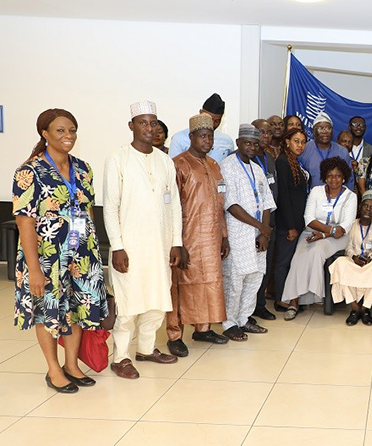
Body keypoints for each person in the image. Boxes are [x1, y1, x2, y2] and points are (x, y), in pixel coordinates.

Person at [13, 108, 108, 393]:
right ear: (45, 133)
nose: (68, 136)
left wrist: (82, 249)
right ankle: (53, 370)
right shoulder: (29, 171)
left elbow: (85, 212)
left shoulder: (82, 168)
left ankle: (71, 365)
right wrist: (34, 269)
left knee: (77, 310)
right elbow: (25, 221)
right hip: (45, 257)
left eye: (72, 131)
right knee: (48, 312)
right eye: (60, 131)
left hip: (81, 254)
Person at [104, 101, 182, 379]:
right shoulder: (119, 158)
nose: (150, 128)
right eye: (143, 122)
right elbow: (111, 206)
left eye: (154, 123)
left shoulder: (164, 161)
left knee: (157, 300)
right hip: (130, 247)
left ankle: (147, 349)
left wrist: (176, 242)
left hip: (160, 245)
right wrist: (117, 246)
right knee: (128, 305)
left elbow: (173, 205)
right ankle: (120, 357)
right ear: (132, 126)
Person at [166, 114, 230, 357]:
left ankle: (202, 329)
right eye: (202, 136)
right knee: (182, 285)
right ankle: (174, 334)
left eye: (210, 136)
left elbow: (220, 203)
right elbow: (171, 207)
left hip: (212, 238)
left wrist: (224, 236)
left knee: (210, 283)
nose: (207, 141)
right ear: (191, 137)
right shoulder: (178, 165)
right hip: (187, 237)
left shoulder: (214, 166)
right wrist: (176, 242)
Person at [280, 157, 357, 320]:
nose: (334, 179)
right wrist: (328, 230)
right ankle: (294, 300)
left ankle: (307, 296)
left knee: (316, 251)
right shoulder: (316, 191)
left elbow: (345, 227)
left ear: (343, 177)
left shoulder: (350, 197)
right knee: (298, 257)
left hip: (337, 238)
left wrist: (323, 234)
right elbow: (308, 218)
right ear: (324, 177)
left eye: (337, 176)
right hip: (311, 232)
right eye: (330, 176)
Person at [219, 124, 277, 340]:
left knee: (254, 278)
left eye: (254, 143)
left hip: (258, 234)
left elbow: (267, 203)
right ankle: (229, 323)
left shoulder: (257, 168)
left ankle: (244, 318)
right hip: (238, 233)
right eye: (247, 143)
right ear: (238, 143)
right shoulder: (227, 167)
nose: (252, 147)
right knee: (235, 279)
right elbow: (231, 205)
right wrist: (260, 226)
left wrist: (265, 232)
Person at [328, 191, 372, 326]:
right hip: (354, 260)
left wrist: (370, 257)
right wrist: (354, 257)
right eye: (365, 206)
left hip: (371, 261)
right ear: (360, 208)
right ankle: (355, 308)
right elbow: (348, 246)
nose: (368, 209)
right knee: (340, 263)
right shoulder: (352, 225)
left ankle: (365, 308)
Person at [271, 128, 310, 312]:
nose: (300, 145)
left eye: (302, 142)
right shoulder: (283, 162)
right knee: (283, 262)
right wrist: (291, 227)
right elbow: (284, 196)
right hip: (288, 223)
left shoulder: (294, 161)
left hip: (296, 220)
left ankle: (290, 298)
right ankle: (280, 299)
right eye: (296, 141)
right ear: (287, 141)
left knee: (291, 261)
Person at [251, 119, 279, 322]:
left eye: (269, 133)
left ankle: (260, 305)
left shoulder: (269, 158)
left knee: (265, 265)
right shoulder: (243, 159)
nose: (266, 136)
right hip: (250, 223)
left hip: (270, 220)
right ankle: (247, 309)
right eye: (262, 132)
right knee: (249, 268)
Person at [169, 93, 234, 163]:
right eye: (208, 118)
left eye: (216, 121)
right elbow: (172, 168)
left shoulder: (227, 141)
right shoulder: (179, 139)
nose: (211, 124)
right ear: (200, 112)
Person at [298, 112, 354, 189]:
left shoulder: (342, 151)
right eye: (320, 128)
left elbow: (349, 180)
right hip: (311, 198)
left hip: (337, 198)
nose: (325, 132)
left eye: (328, 128)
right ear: (313, 131)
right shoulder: (305, 149)